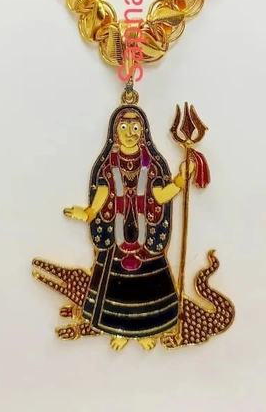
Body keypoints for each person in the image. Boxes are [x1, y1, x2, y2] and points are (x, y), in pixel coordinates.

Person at [63, 104, 192, 350]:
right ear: (115, 131)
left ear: (143, 132)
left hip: (146, 238)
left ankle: (147, 331)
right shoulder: (109, 165)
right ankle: (118, 330)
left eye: (135, 127)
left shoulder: (151, 165)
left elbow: (160, 196)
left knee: (148, 286)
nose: (130, 133)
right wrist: (89, 212)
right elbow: (103, 193)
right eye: (124, 127)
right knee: (117, 288)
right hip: (118, 236)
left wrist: (179, 182)